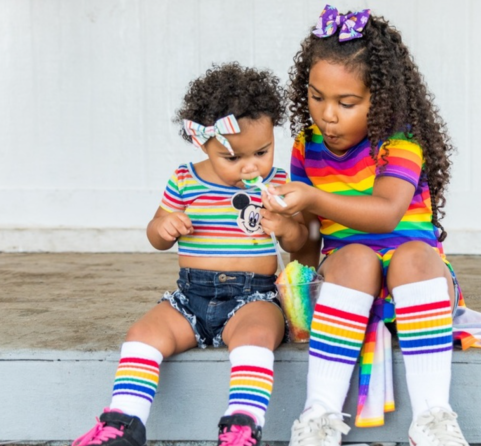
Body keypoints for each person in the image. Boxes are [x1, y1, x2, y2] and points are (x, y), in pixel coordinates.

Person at [261, 6, 469, 446]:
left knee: (413, 255)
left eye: (346, 103)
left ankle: (432, 419)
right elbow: (311, 247)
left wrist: (315, 197)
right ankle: (318, 417)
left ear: (382, 100)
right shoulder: (306, 146)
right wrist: (288, 228)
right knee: (353, 256)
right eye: (316, 97)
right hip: (347, 298)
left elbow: (387, 212)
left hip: (416, 298)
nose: (327, 115)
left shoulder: (400, 142)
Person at [71, 63, 307, 446]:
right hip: (190, 297)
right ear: (204, 145)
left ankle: (241, 424)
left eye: (262, 151)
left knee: (258, 334)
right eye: (233, 158)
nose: (251, 166)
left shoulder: (277, 182)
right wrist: (163, 229)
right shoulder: (184, 179)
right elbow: (156, 231)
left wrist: (286, 227)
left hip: (254, 297)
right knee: (142, 334)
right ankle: (123, 422)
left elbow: (298, 242)